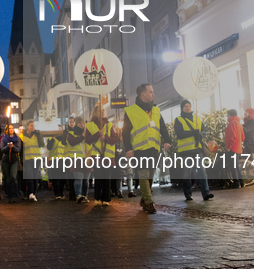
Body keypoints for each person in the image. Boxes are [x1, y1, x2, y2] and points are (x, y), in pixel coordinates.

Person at [123, 84, 172, 214]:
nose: (153, 94)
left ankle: (144, 199)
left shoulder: (156, 110)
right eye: (151, 92)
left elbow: (162, 127)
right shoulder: (130, 111)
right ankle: (149, 202)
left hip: (154, 148)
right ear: (142, 94)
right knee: (144, 174)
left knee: (150, 175)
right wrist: (128, 148)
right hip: (139, 149)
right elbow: (125, 132)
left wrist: (167, 140)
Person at [174, 100, 213, 201]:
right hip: (186, 151)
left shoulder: (197, 118)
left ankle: (206, 193)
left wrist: (200, 134)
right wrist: (193, 133)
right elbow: (179, 134)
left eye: (189, 106)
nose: (188, 108)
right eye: (185, 106)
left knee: (202, 171)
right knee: (186, 173)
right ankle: (188, 194)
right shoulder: (178, 120)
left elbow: (204, 131)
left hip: (197, 149)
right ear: (182, 108)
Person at [86, 105, 118, 206]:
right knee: (98, 177)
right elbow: (87, 140)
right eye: (101, 110)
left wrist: (105, 138)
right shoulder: (90, 125)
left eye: (104, 110)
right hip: (96, 155)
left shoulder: (109, 124)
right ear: (96, 112)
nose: (103, 112)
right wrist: (97, 135)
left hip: (108, 156)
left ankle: (106, 199)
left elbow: (114, 139)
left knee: (107, 178)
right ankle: (97, 198)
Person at [21, 120, 45, 202]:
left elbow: (42, 144)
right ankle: (31, 193)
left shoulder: (37, 134)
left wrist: (39, 135)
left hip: (36, 159)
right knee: (30, 176)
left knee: (35, 177)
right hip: (27, 159)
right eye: (31, 125)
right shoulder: (23, 136)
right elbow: (22, 149)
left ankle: (33, 194)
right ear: (27, 126)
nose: (33, 127)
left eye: (33, 125)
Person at [224, 109, 245, 188]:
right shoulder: (239, 123)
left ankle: (236, 182)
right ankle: (241, 182)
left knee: (233, 166)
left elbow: (232, 136)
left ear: (230, 115)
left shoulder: (232, 123)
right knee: (236, 165)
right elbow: (242, 137)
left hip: (232, 148)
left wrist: (229, 146)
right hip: (238, 147)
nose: (227, 116)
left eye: (227, 114)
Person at [0, 124, 21, 203]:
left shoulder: (17, 139)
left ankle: (14, 195)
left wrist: (13, 147)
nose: (11, 129)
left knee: (13, 177)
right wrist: (7, 147)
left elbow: (18, 149)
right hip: (5, 160)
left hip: (14, 159)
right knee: (7, 179)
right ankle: (9, 195)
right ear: (6, 130)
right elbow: (2, 149)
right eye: (9, 128)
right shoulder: (4, 139)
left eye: (12, 128)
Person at [242, 108, 254, 183]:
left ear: (250, 113)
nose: (245, 114)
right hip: (248, 144)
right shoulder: (248, 122)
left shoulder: (253, 122)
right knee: (250, 161)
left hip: (253, 144)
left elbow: (246, 130)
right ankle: (253, 177)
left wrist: (239, 126)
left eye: (246, 112)